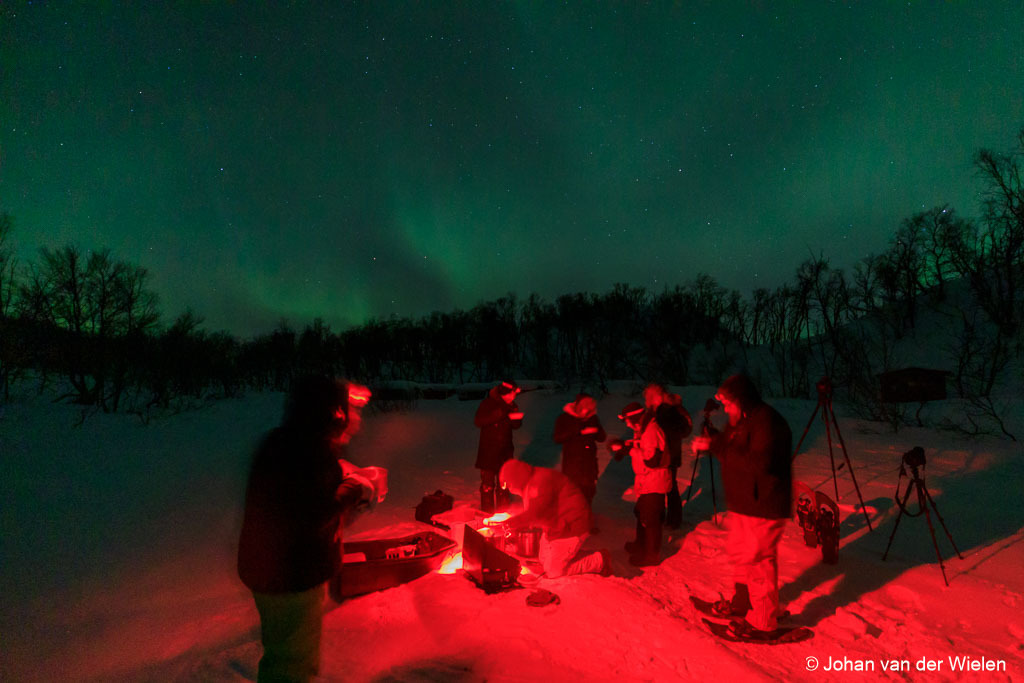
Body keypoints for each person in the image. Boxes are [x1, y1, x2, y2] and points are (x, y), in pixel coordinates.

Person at [237, 375, 386, 682]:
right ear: (333, 412)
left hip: (276, 572)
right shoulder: (308, 452)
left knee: (286, 658)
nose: (354, 419)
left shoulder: (291, 441)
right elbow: (316, 514)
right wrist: (356, 488)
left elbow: (308, 506)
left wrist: (350, 482)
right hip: (290, 578)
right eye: (349, 409)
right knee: (292, 666)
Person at [690, 373, 793, 638]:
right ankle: (742, 602)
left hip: (764, 504)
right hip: (745, 504)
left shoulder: (767, 422)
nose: (725, 409)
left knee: (759, 563)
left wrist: (717, 446)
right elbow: (729, 448)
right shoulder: (741, 421)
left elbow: (759, 464)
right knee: (742, 556)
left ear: (742, 400)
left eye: (728, 403)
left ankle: (762, 622)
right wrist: (711, 439)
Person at [498, 459, 610, 577]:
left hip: (573, 525)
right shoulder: (531, 481)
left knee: (553, 571)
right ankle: (570, 555)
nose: (510, 489)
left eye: (508, 485)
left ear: (517, 478)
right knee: (543, 559)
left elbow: (537, 513)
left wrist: (509, 524)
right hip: (557, 526)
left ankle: (600, 560)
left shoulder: (540, 481)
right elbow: (537, 511)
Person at [621, 399, 671, 567]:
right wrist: (627, 446)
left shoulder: (651, 431)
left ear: (635, 419)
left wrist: (632, 450)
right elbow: (645, 448)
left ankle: (652, 555)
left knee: (651, 519)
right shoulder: (645, 429)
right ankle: (640, 544)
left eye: (628, 422)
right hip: (647, 481)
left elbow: (652, 460)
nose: (628, 426)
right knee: (641, 513)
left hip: (655, 480)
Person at [643, 383, 693, 529]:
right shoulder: (658, 410)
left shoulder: (669, 410)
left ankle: (673, 520)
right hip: (662, 453)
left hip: (669, 454)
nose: (648, 400)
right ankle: (664, 517)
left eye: (650, 397)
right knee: (662, 486)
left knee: (670, 487)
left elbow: (679, 430)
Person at [474, 380, 523, 513]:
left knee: (504, 485)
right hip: (488, 451)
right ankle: (487, 514)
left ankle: (503, 514)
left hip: (505, 452)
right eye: (512, 393)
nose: (514, 397)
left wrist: (517, 419)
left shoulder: (512, 405)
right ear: (505, 393)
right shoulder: (489, 403)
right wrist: (499, 413)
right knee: (487, 486)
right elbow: (479, 421)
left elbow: (515, 426)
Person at [553, 393, 607, 509]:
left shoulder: (593, 418)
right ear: (578, 406)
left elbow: (602, 438)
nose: (586, 412)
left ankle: (585, 520)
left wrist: (595, 431)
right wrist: (577, 430)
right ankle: (571, 519)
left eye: (589, 410)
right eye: (584, 409)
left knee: (589, 492)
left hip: (589, 464)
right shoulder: (565, 418)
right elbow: (558, 438)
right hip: (573, 464)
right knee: (573, 492)